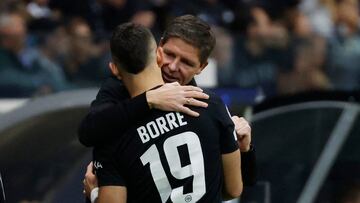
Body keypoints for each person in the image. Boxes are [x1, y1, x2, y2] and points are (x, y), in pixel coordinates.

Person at [79, 15, 256, 200]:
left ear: (201, 67)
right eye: (170, 54)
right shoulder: (120, 86)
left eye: (186, 62)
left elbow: (237, 187)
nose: (172, 67)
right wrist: (148, 99)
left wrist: (245, 150)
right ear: (159, 49)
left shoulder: (204, 103)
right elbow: (87, 132)